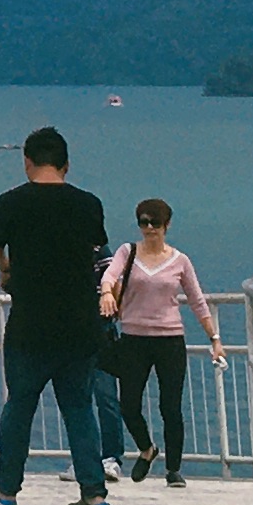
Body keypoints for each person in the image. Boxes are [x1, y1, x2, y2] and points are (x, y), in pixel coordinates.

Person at [0, 126, 114, 505]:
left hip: (30, 323)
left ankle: (7, 488)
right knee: (79, 408)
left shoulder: (10, 202)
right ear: (66, 164)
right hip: (80, 323)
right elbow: (96, 249)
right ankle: (94, 492)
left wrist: (7, 268)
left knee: (20, 405)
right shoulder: (88, 204)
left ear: (27, 161)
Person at [101, 196, 217, 486]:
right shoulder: (127, 252)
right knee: (129, 404)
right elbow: (109, 275)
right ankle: (147, 448)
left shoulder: (180, 261)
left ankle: (173, 469)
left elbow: (197, 301)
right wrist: (106, 292)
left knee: (170, 407)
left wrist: (214, 339)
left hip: (169, 339)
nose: (150, 228)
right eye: (144, 222)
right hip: (134, 339)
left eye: (155, 222)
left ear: (167, 225)